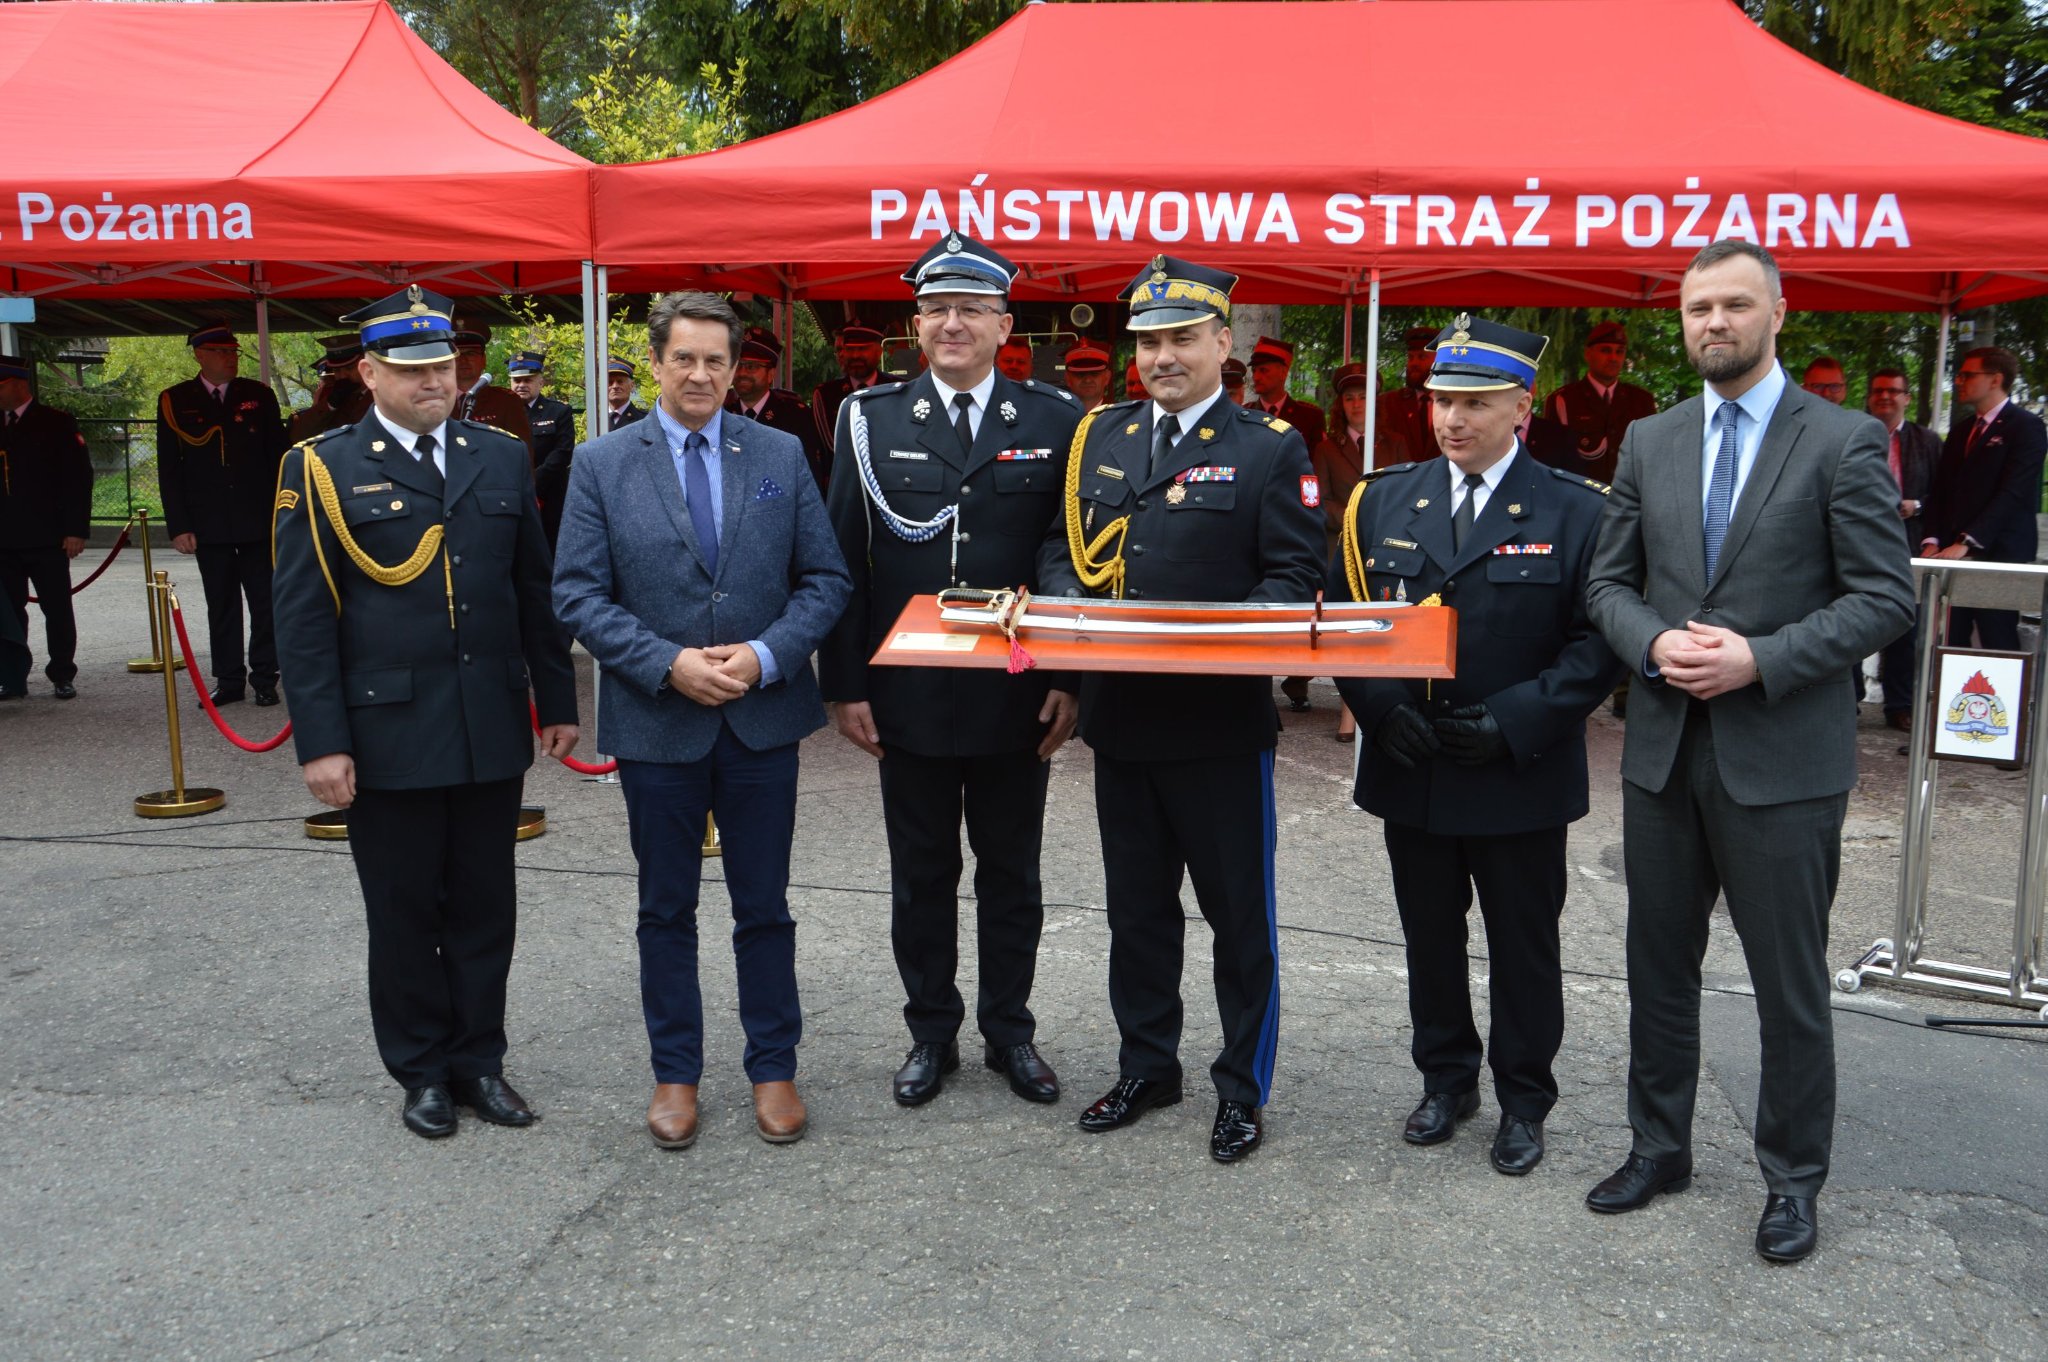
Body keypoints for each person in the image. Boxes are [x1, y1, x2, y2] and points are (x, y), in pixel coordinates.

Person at [1583, 240, 1914, 1263]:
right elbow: (1607, 584)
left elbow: (1884, 597)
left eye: (1733, 304)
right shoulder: (1650, 440)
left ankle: (1792, 1181)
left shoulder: (1843, 439)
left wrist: (1759, 659)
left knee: (1787, 985)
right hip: (1663, 754)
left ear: (1777, 313)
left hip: (1782, 761)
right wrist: (1652, 645)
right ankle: (1658, 1147)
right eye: (1697, 309)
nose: (1713, 323)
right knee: (1656, 970)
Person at [270, 285, 580, 1140]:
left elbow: (532, 588)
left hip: (487, 721)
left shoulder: (499, 455)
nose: (433, 381)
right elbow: (303, 619)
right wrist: (322, 742)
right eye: (411, 370)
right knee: (405, 910)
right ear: (369, 373)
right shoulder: (321, 466)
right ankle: (422, 1070)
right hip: (388, 729)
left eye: (442, 365)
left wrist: (555, 699)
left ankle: (480, 1061)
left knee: (485, 907)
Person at [1037, 254, 1324, 1163]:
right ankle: (1147, 1066)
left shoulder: (1268, 446)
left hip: (1217, 730)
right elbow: (1062, 548)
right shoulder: (1104, 435)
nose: (1162, 356)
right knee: (1138, 917)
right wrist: (1069, 609)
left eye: (1182, 339)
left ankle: (1241, 1088)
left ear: (1221, 343)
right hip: (1121, 723)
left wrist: (1210, 638)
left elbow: (1294, 577)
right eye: (1150, 341)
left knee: (1240, 923)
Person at [555, 291, 850, 1150]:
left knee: (765, 906)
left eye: (716, 360)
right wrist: (665, 663)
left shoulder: (780, 452)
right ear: (656, 362)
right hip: (658, 720)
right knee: (664, 909)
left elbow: (825, 579)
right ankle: (675, 1074)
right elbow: (577, 593)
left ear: (735, 368)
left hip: (762, 719)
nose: (700, 374)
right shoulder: (602, 463)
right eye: (683, 357)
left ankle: (773, 1068)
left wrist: (764, 655)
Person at [1330, 314, 1620, 1175]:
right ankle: (1445, 1080)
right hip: (1415, 763)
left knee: (1523, 945)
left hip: (1517, 771)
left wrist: (1516, 720)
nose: (1452, 419)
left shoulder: (1577, 509)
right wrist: (1380, 709)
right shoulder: (1383, 498)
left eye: (1475, 402)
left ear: (1522, 406)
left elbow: (1596, 645)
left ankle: (1524, 1100)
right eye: (1441, 400)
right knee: (1429, 937)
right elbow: (1347, 619)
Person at [819, 234, 1082, 1110]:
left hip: (1016, 690)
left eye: (971, 308)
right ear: (917, 324)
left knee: (1012, 873)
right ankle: (931, 1031)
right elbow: (844, 558)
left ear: (1006, 326)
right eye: (936, 309)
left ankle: (1010, 1032)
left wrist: (1069, 676)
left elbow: (1066, 554)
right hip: (909, 692)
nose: (952, 323)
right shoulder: (868, 419)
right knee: (922, 874)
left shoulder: (1054, 419)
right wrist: (845, 683)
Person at [155, 324, 288, 708]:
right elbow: (170, 469)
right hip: (208, 523)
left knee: (265, 603)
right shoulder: (175, 400)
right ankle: (229, 680)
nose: (230, 358)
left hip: (257, 520)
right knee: (222, 604)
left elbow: (279, 458)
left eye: (233, 351)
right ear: (200, 355)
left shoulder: (258, 395)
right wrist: (179, 525)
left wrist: (283, 514)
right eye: (221, 351)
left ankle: (265, 677)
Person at [1920, 346, 2048, 650]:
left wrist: (1968, 541)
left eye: (1968, 375)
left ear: (1995, 379)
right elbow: (1942, 491)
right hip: (1952, 555)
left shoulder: (2026, 427)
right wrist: (1932, 539)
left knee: (1997, 637)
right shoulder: (1961, 431)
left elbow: (2013, 492)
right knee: (1950, 638)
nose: (1959, 381)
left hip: (2000, 552)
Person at [1313, 362, 1412, 743]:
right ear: (1341, 405)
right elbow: (1318, 500)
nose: (1356, 404)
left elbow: (1409, 493)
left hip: (1388, 548)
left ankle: (1386, 705)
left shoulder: (1396, 442)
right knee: (1348, 626)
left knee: (1384, 626)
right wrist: (1355, 516)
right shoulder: (1326, 448)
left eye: (1363, 397)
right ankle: (1348, 712)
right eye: (1350, 398)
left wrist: (1380, 521)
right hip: (1342, 547)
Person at [0, 356, 91, 701]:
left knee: (57, 609)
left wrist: (76, 530)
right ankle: (12, 676)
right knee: (8, 613)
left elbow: (77, 479)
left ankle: (62, 673)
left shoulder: (56, 422)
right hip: (4, 538)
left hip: (48, 536)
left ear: (17, 384)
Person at [1867, 367, 1939, 730]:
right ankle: (1848, 700)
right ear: (1869, 398)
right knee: (1849, 617)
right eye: (1879, 390)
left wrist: (1918, 507)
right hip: (1860, 540)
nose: (1885, 396)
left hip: (1909, 542)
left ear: (1906, 398)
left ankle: (1899, 705)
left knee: (1905, 626)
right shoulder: (1854, 434)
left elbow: (1945, 493)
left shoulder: (1928, 441)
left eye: (1894, 391)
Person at [1540, 321, 1658, 485]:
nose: (1613, 358)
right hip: (1581, 496)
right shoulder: (1564, 401)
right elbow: (1551, 462)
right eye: (1605, 350)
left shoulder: (1642, 400)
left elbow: (1652, 457)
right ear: (1588, 354)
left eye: (1619, 352)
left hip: (1630, 497)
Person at [726, 327, 829, 491]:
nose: (742, 373)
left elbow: (809, 481)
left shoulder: (796, 417)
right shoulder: (721, 414)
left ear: (771, 374)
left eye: (751, 366)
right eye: (738, 365)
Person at [508, 350, 577, 549]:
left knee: (549, 551)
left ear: (541, 382)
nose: (521, 385)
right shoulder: (503, 413)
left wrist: (533, 482)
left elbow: (563, 453)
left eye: (527, 380)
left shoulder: (558, 411)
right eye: (516, 380)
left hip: (549, 498)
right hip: (512, 496)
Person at [450, 326, 532, 445]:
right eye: (457, 354)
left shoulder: (507, 401)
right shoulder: (436, 399)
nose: (463, 360)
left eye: (471, 353)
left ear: (484, 360)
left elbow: (523, 450)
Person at [810, 321, 884, 449]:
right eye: (849, 349)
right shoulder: (826, 395)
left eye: (863, 349)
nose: (855, 356)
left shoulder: (899, 390)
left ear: (879, 352)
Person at [1246, 336, 1328, 451]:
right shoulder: (1244, 415)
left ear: (1283, 373)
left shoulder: (1310, 418)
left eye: (1263, 370)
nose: (1256, 377)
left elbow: (1317, 459)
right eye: (1254, 371)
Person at [286, 335, 371, 445]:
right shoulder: (331, 395)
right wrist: (329, 405)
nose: (343, 376)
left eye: (350, 368)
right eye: (337, 370)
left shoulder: (382, 394)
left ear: (366, 365)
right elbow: (299, 436)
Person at [1379, 325, 1442, 461]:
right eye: (1410, 357)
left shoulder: (1455, 402)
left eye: (1422, 357)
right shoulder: (1388, 403)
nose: (1414, 363)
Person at [1062, 340, 1113, 409]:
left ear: (1107, 377)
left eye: (1094, 373)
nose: (1087, 380)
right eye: (1080, 374)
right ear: (1067, 378)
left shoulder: (1122, 414)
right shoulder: (1055, 414)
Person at [605, 358, 648, 427]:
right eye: (610, 382)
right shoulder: (596, 422)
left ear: (632, 385)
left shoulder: (645, 420)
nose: (615, 386)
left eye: (620, 381)